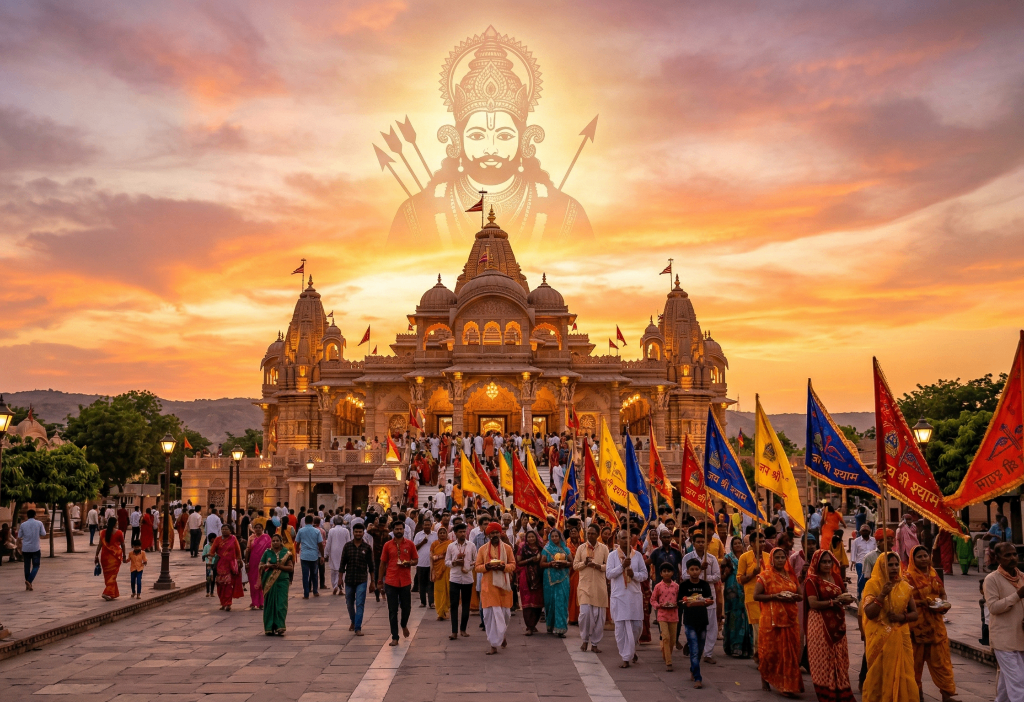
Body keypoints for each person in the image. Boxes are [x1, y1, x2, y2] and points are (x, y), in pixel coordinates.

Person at [861, 552, 919, 702]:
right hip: (880, 639)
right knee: (878, 676)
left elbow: (914, 614)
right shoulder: (873, 584)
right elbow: (869, 613)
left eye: (896, 564)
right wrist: (882, 595)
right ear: (881, 566)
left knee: (904, 676)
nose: (894, 568)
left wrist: (901, 617)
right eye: (890, 565)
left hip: (900, 637)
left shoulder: (904, 585)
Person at [906, 545, 958, 702]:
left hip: (936, 626)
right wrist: (923, 602)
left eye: (925, 556)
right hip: (917, 628)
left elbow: (942, 593)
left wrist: (943, 605)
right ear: (913, 560)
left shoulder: (934, 574)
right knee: (914, 665)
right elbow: (904, 601)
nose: (923, 559)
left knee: (942, 662)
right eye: (919, 557)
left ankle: (947, 695)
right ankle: (917, 695)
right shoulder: (907, 578)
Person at [804, 549, 856, 702]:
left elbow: (844, 595)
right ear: (817, 563)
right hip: (820, 623)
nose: (827, 565)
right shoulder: (812, 580)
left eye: (829, 561)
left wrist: (847, 600)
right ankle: (826, 693)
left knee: (839, 658)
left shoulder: (837, 577)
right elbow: (812, 603)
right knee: (824, 658)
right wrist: (834, 602)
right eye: (823, 562)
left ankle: (842, 690)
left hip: (838, 622)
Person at [754, 547, 804, 696]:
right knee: (771, 652)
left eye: (783, 557)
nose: (781, 560)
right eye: (778, 558)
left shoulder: (790, 575)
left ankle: (788, 685)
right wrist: (775, 596)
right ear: (772, 560)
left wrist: (794, 597)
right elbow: (756, 596)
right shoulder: (765, 575)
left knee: (790, 653)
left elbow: (800, 595)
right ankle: (766, 678)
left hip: (790, 619)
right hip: (771, 620)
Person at [983, 542, 1024, 702]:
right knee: (1018, 682)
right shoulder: (992, 579)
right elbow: (993, 607)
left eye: (1014, 554)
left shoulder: (1022, 577)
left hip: (1020, 638)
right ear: (998, 558)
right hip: (1003, 640)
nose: (1013, 558)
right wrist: (1017, 595)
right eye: (1007, 555)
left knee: (1006, 687)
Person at [607, 528, 648, 668]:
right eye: (623, 538)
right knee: (621, 629)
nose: (625, 540)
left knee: (637, 627)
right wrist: (621, 567)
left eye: (628, 538)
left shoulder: (637, 556)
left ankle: (631, 649)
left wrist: (634, 574)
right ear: (618, 540)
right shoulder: (612, 556)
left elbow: (645, 574)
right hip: (619, 597)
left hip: (634, 597)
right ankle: (625, 657)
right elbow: (608, 574)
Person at [475, 522, 516, 654]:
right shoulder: (482, 550)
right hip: (488, 587)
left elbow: (513, 565)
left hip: (504, 587)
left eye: (496, 533)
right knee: (490, 616)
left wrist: (503, 567)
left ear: (500, 533)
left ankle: (502, 635)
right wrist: (487, 567)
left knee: (504, 615)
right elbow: (477, 567)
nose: (494, 535)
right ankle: (493, 645)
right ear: (488, 535)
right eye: (492, 533)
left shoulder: (508, 549)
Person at [681, 530, 721, 665]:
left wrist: (704, 576)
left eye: (703, 542)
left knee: (711, 625)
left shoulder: (711, 559)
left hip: (708, 594)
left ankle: (708, 653)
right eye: (698, 542)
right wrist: (698, 573)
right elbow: (684, 576)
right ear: (693, 543)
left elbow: (717, 576)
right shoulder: (687, 558)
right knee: (693, 624)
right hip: (692, 595)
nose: (700, 544)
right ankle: (694, 647)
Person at [379, 520, 417, 646]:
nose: (399, 531)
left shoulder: (410, 544)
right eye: (397, 529)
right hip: (391, 581)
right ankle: (395, 636)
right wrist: (380, 581)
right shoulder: (387, 545)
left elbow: (415, 560)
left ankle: (404, 624)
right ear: (393, 530)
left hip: (405, 581)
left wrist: (409, 563)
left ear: (404, 530)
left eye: (401, 529)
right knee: (392, 610)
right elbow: (382, 564)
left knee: (407, 608)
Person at [574, 523, 610, 652]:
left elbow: (609, 566)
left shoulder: (604, 548)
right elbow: (575, 565)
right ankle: (584, 640)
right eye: (588, 533)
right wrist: (585, 563)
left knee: (599, 617)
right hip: (584, 586)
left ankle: (594, 644)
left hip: (599, 587)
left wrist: (598, 566)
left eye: (593, 533)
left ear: (597, 535)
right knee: (585, 615)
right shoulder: (581, 548)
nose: (590, 535)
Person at [679, 560, 714, 687]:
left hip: (702, 620)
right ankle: (698, 678)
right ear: (687, 571)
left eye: (696, 569)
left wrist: (703, 601)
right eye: (692, 569)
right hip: (689, 621)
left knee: (699, 650)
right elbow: (680, 601)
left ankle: (693, 668)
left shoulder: (704, 585)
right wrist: (687, 601)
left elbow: (710, 600)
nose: (694, 572)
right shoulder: (684, 585)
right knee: (694, 649)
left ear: (700, 571)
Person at [340, 522, 375, 635]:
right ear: (353, 533)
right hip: (349, 579)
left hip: (362, 580)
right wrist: (340, 578)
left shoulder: (367, 548)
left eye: (360, 532)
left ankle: (358, 627)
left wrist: (372, 582)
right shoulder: (347, 546)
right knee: (349, 603)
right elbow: (342, 564)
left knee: (360, 603)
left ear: (363, 533)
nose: (358, 533)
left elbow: (371, 566)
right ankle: (353, 620)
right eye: (356, 532)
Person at [722, 534, 753, 658]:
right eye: (735, 544)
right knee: (734, 617)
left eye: (739, 543)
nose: (738, 545)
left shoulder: (747, 557)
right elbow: (722, 577)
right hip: (732, 591)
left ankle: (746, 647)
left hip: (745, 588)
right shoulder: (728, 558)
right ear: (731, 546)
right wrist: (728, 572)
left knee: (746, 617)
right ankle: (734, 646)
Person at [445, 521, 478, 640]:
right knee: (453, 604)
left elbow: (476, 560)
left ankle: (463, 629)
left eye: (464, 531)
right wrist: (454, 562)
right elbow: (446, 562)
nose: (463, 533)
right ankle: (454, 631)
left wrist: (468, 567)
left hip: (467, 578)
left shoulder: (471, 546)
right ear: (455, 533)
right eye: (460, 532)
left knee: (465, 604)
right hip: (454, 578)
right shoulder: (451, 546)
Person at [259, 533, 294, 635]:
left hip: (282, 580)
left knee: (281, 604)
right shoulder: (267, 552)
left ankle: (280, 626)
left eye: (277, 541)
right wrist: (268, 565)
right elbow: (261, 566)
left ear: (281, 541)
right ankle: (269, 627)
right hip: (269, 580)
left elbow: (290, 568)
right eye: (273, 541)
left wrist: (279, 567)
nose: (275, 543)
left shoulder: (286, 553)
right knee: (270, 604)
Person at [541, 528, 572, 637]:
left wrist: (564, 564)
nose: (554, 538)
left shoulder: (566, 549)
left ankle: (561, 629)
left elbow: (571, 562)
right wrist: (551, 564)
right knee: (550, 603)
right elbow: (542, 563)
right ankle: (550, 626)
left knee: (561, 603)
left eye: (556, 536)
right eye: (552, 536)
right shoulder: (547, 549)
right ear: (550, 537)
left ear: (560, 537)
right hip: (549, 579)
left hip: (563, 578)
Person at [651, 562, 680, 671]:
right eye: (664, 571)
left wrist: (677, 604)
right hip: (662, 614)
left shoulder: (676, 586)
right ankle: (669, 662)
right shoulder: (658, 586)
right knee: (666, 637)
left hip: (674, 615)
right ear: (661, 573)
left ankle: (665, 653)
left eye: (669, 571)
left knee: (672, 640)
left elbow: (680, 599)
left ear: (672, 573)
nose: (667, 573)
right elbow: (652, 599)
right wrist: (659, 606)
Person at [737, 531, 763, 658]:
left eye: (764, 541)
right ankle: (758, 655)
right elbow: (740, 579)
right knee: (758, 629)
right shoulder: (744, 557)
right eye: (759, 541)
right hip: (752, 597)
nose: (762, 544)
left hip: (767, 598)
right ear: (752, 543)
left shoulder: (769, 557)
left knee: (766, 629)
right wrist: (753, 573)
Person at [516, 530, 544, 635]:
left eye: (533, 537)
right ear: (526, 539)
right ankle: (529, 626)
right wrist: (531, 560)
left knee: (537, 601)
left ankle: (533, 624)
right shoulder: (523, 548)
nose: (531, 539)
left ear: (536, 538)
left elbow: (544, 559)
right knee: (527, 601)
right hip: (526, 577)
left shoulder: (541, 548)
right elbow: (518, 562)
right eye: (529, 537)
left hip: (539, 577)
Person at [210, 524, 244, 611]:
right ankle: (222, 602)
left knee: (228, 585)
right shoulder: (217, 539)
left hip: (231, 565)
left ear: (230, 531)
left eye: (226, 529)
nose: (224, 531)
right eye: (223, 529)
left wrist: (239, 560)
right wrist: (210, 557)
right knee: (220, 585)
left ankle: (228, 603)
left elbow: (238, 551)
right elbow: (212, 551)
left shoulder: (233, 539)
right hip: (220, 565)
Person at [94, 516, 124, 600]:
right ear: (115, 523)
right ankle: (107, 592)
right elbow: (123, 544)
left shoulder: (103, 532)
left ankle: (113, 593)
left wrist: (96, 555)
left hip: (105, 557)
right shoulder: (119, 533)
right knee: (112, 576)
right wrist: (124, 555)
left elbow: (100, 545)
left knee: (108, 576)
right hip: (115, 558)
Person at [295, 515, 324, 599]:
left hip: (304, 555)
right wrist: (322, 555)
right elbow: (320, 545)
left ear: (305, 522)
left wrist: (297, 550)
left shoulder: (301, 531)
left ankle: (306, 593)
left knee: (305, 575)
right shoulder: (316, 531)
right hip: (314, 555)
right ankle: (315, 591)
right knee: (314, 574)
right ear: (312, 522)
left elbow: (297, 542)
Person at [17, 509, 46, 591]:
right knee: (36, 565)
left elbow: (19, 536)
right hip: (35, 548)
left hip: (25, 548)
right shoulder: (39, 523)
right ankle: (29, 581)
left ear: (27, 515)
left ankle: (28, 584)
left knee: (27, 566)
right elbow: (43, 533)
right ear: (35, 515)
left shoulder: (23, 524)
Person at [245, 521, 271, 610]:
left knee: (263, 581)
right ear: (254, 529)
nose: (258, 529)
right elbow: (248, 550)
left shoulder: (267, 538)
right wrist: (246, 562)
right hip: (253, 562)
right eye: (256, 527)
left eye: (259, 528)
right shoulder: (251, 538)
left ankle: (262, 602)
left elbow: (270, 550)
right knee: (253, 582)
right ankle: (254, 601)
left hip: (264, 562)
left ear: (262, 529)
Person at [413, 518, 437, 608]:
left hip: (431, 564)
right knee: (421, 584)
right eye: (425, 525)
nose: (427, 526)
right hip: (421, 563)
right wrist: (422, 542)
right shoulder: (418, 535)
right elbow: (414, 548)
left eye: (428, 525)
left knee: (431, 583)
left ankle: (431, 602)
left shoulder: (435, 535)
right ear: (422, 526)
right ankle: (423, 602)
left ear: (431, 526)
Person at [431, 525, 452, 621]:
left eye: (444, 532)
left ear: (446, 534)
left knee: (448, 590)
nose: (442, 534)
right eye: (440, 533)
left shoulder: (450, 544)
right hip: (437, 570)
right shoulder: (434, 544)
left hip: (447, 569)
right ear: (438, 534)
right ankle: (440, 612)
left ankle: (445, 610)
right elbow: (432, 558)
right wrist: (432, 571)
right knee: (438, 591)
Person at [325, 516, 350, 596]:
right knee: (342, 569)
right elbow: (348, 542)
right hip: (343, 551)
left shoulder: (331, 531)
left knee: (334, 569)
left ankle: (335, 585)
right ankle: (340, 588)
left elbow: (328, 543)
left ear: (334, 523)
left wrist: (325, 554)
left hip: (333, 551)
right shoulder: (346, 531)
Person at [850, 525, 876, 600]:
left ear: (870, 532)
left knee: (871, 579)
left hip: (872, 563)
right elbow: (853, 552)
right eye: (863, 531)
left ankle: (870, 594)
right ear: (860, 532)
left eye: (866, 531)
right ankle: (860, 595)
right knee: (861, 579)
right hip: (860, 563)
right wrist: (853, 562)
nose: (865, 532)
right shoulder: (856, 541)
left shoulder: (874, 540)